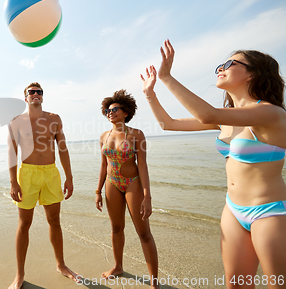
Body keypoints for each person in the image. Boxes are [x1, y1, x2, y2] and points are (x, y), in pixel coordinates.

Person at [141, 39, 286, 288]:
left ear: (253, 73)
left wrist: (166, 77)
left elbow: (207, 114)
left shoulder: (271, 113)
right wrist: (150, 94)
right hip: (232, 209)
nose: (221, 68)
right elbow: (169, 124)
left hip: (270, 211)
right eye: (220, 64)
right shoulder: (225, 117)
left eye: (230, 63)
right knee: (236, 285)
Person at [7, 82, 79, 289]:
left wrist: (69, 177)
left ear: (43, 97)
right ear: (26, 97)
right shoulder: (16, 121)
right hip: (27, 174)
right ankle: (19, 274)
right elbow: (11, 152)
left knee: (54, 221)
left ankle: (61, 265)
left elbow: (63, 149)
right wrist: (13, 182)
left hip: (50, 173)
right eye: (32, 92)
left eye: (39, 92)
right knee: (24, 224)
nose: (36, 94)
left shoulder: (54, 119)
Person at [95, 90, 159, 288]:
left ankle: (154, 280)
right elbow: (104, 165)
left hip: (132, 183)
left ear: (126, 112)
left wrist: (147, 196)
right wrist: (97, 191)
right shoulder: (104, 136)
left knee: (144, 233)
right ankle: (118, 266)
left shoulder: (136, 134)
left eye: (115, 109)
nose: (110, 113)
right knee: (116, 228)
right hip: (111, 184)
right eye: (107, 110)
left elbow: (143, 165)